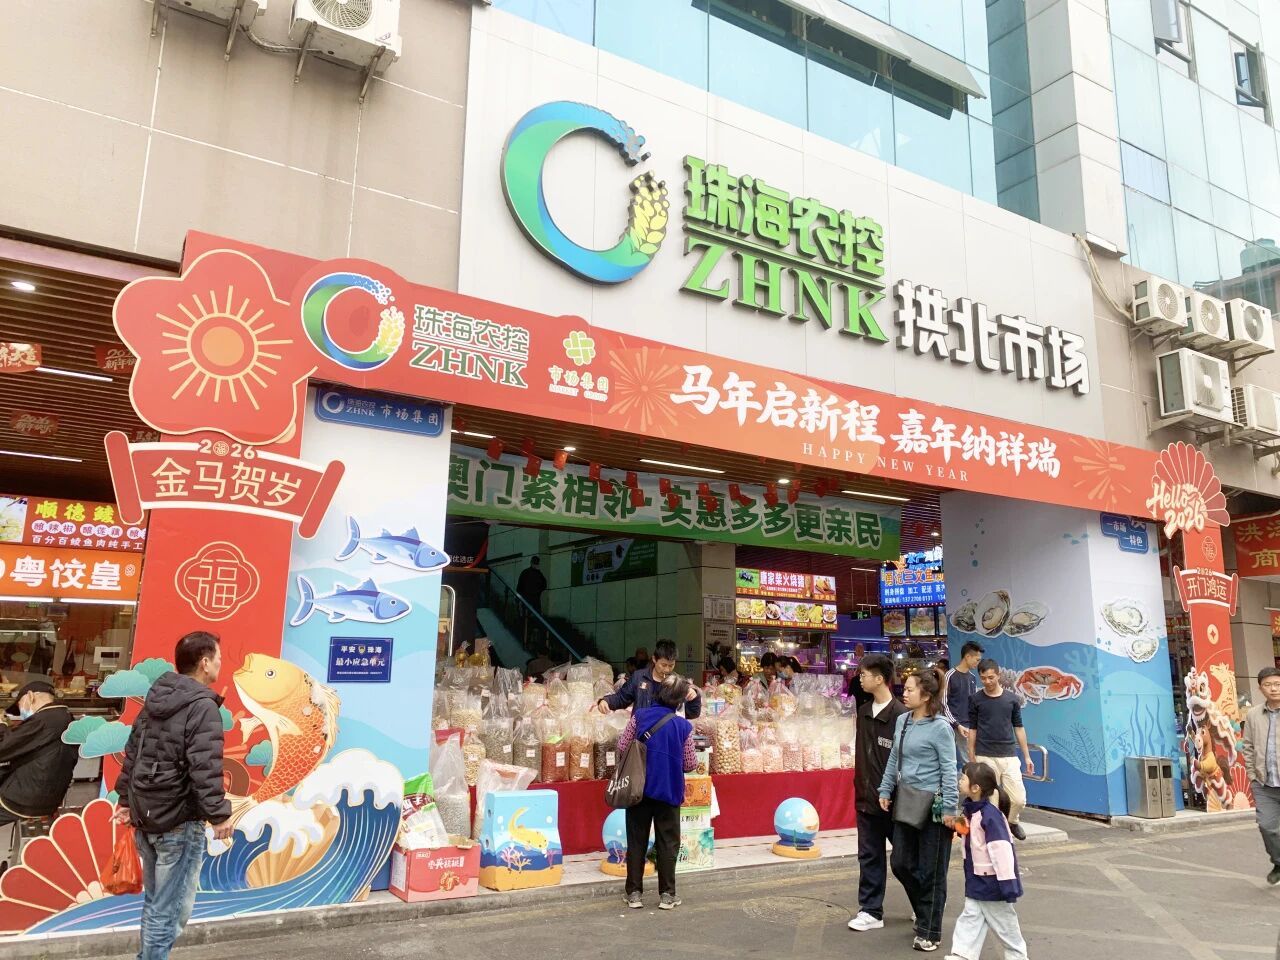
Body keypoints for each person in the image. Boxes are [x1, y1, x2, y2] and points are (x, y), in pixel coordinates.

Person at [113, 632, 233, 960]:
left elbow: (134, 753)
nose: (220, 664)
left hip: (147, 816)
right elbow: (205, 766)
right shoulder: (202, 706)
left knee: (157, 904)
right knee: (169, 912)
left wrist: (125, 800)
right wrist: (219, 814)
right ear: (205, 662)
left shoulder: (155, 699)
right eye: (219, 658)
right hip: (179, 822)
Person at [878, 671, 958, 953]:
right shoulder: (903, 721)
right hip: (907, 801)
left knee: (932, 871)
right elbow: (894, 759)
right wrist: (885, 789)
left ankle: (930, 931)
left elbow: (949, 769)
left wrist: (950, 807)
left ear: (926, 696)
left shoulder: (941, 727)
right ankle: (927, 909)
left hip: (935, 807)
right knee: (900, 862)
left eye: (910, 689)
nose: (905, 692)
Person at [617, 674, 696, 910]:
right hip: (669, 792)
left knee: (637, 841)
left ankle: (634, 894)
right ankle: (667, 895)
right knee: (668, 843)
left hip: (638, 790)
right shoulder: (684, 727)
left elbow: (622, 746)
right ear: (679, 702)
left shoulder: (640, 716)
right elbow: (690, 763)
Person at [848, 654, 909, 933]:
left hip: (896, 802)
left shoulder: (901, 716)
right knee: (869, 856)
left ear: (880, 678)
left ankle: (925, 903)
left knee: (905, 859)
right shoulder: (862, 711)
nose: (860, 678)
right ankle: (871, 911)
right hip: (865, 797)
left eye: (864, 674)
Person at [945, 762, 1028, 960]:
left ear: (975, 788)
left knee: (1005, 923)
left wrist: (1008, 884)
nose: (959, 780)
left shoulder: (990, 815)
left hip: (992, 882)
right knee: (971, 917)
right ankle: (962, 955)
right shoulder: (972, 810)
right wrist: (953, 824)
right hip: (977, 878)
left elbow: (1002, 852)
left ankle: (1017, 956)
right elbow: (969, 831)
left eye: (963, 778)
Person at [967, 659, 1032, 842]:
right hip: (984, 754)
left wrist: (1027, 756)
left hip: (1009, 755)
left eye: (991, 677)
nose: (987, 681)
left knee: (1018, 799)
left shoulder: (1012, 699)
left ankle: (1012, 821)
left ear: (998, 675)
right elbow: (973, 728)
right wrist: (971, 754)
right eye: (983, 678)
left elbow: (1019, 727)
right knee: (992, 801)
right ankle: (996, 835)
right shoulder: (975, 699)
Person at [0, 680, 78, 826]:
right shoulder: (66, 716)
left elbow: (3, 748)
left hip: (25, 800)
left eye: (19, 705)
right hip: (51, 797)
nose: (20, 712)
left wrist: (2, 724)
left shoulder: (43, 720)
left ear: (30, 696)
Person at [1241, 666, 1280, 885]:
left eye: (1277, 684)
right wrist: (1252, 775)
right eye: (1268, 685)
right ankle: (1279, 862)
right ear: (1260, 688)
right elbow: (1247, 746)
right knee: (1266, 826)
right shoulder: (1253, 714)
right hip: (1264, 785)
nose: (1273, 689)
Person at [599, 640, 702, 719]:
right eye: (663, 665)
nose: (667, 669)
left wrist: (694, 696)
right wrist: (606, 701)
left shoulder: (677, 683)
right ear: (654, 659)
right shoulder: (639, 677)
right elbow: (621, 698)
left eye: (671, 665)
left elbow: (692, 713)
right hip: (642, 734)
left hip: (667, 735)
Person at [944, 642, 984, 766]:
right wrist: (956, 724)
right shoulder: (949, 676)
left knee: (971, 760)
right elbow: (943, 704)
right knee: (951, 761)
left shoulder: (972, 677)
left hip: (969, 726)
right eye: (977, 659)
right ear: (967, 657)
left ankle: (968, 778)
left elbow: (974, 703)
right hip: (952, 726)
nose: (978, 663)